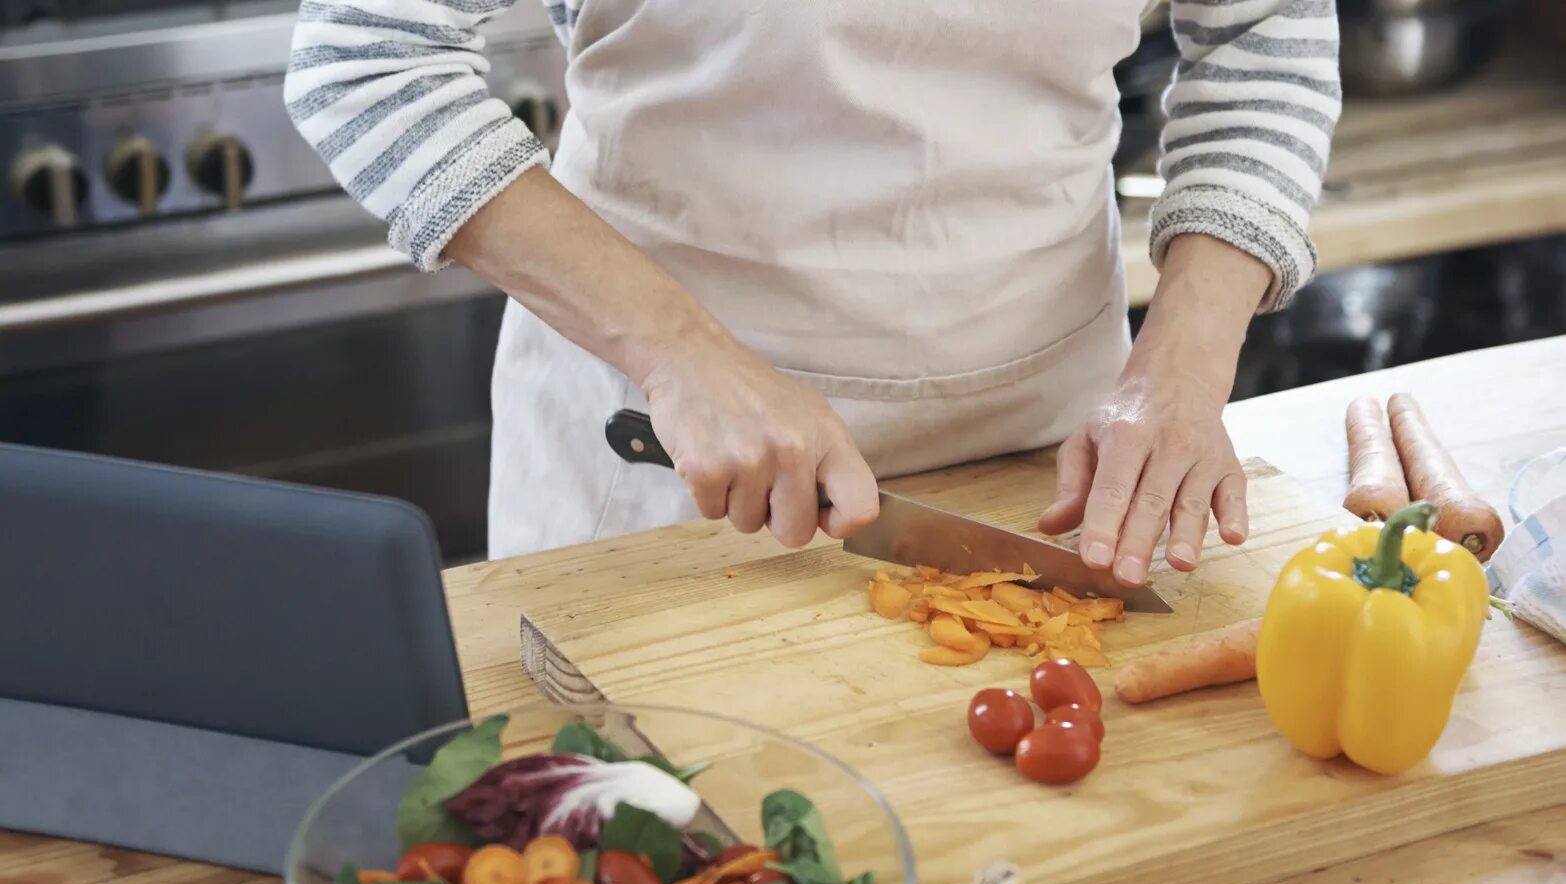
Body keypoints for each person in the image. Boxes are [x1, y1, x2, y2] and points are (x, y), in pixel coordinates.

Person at [285, 0, 1340, 585]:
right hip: (663, 461)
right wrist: (680, 352)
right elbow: (367, 55)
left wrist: (1186, 358)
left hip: (1049, 463)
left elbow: (1264, 30)